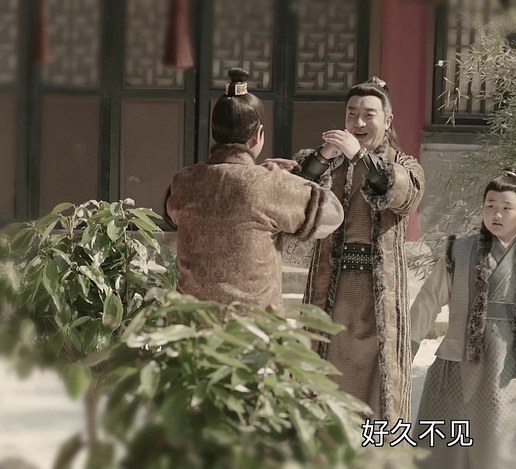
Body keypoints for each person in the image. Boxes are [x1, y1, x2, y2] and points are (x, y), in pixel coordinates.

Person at [410, 169, 516, 468]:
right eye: (490, 206)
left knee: (510, 446)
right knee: (451, 444)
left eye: (506, 207)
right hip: (461, 360)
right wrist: (409, 343)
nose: (497, 214)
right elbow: (429, 299)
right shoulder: (459, 252)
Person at [293, 77, 425, 423]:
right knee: (324, 370)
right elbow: (297, 189)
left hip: (377, 294)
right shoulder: (331, 162)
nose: (359, 122)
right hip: (333, 289)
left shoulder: (406, 165)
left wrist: (360, 156)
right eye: (352, 114)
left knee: (378, 382)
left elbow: (401, 193)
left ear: (388, 120)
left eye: (369, 114)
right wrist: (323, 157)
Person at [165, 68, 343, 312]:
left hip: (192, 325)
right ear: (258, 135)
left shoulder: (184, 181)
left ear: (215, 133)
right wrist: (284, 179)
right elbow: (332, 215)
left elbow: (171, 213)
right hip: (250, 328)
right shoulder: (269, 184)